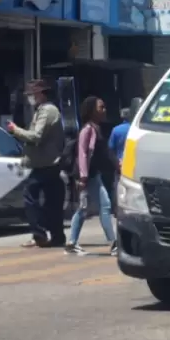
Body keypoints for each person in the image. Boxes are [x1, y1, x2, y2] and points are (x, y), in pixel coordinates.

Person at [8, 79, 67, 248]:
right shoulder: (44, 110)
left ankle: (39, 233)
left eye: (31, 95)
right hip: (48, 163)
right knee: (52, 203)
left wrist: (15, 130)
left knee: (30, 196)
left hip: (47, 164)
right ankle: (56, 236)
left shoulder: (47, 111)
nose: (29, 98)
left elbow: (36, 136)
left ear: (41, 94)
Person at [67, 96, 117, 256]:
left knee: (85, 209)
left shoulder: (96, 128)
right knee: (101, 206)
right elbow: (82, 154)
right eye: (101, 107)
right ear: (92, 110)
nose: (104, 110)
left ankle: (72, 243)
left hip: (94, 175)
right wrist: (83, 176)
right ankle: (113, 243)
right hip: (87, 177)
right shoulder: (87, 129)